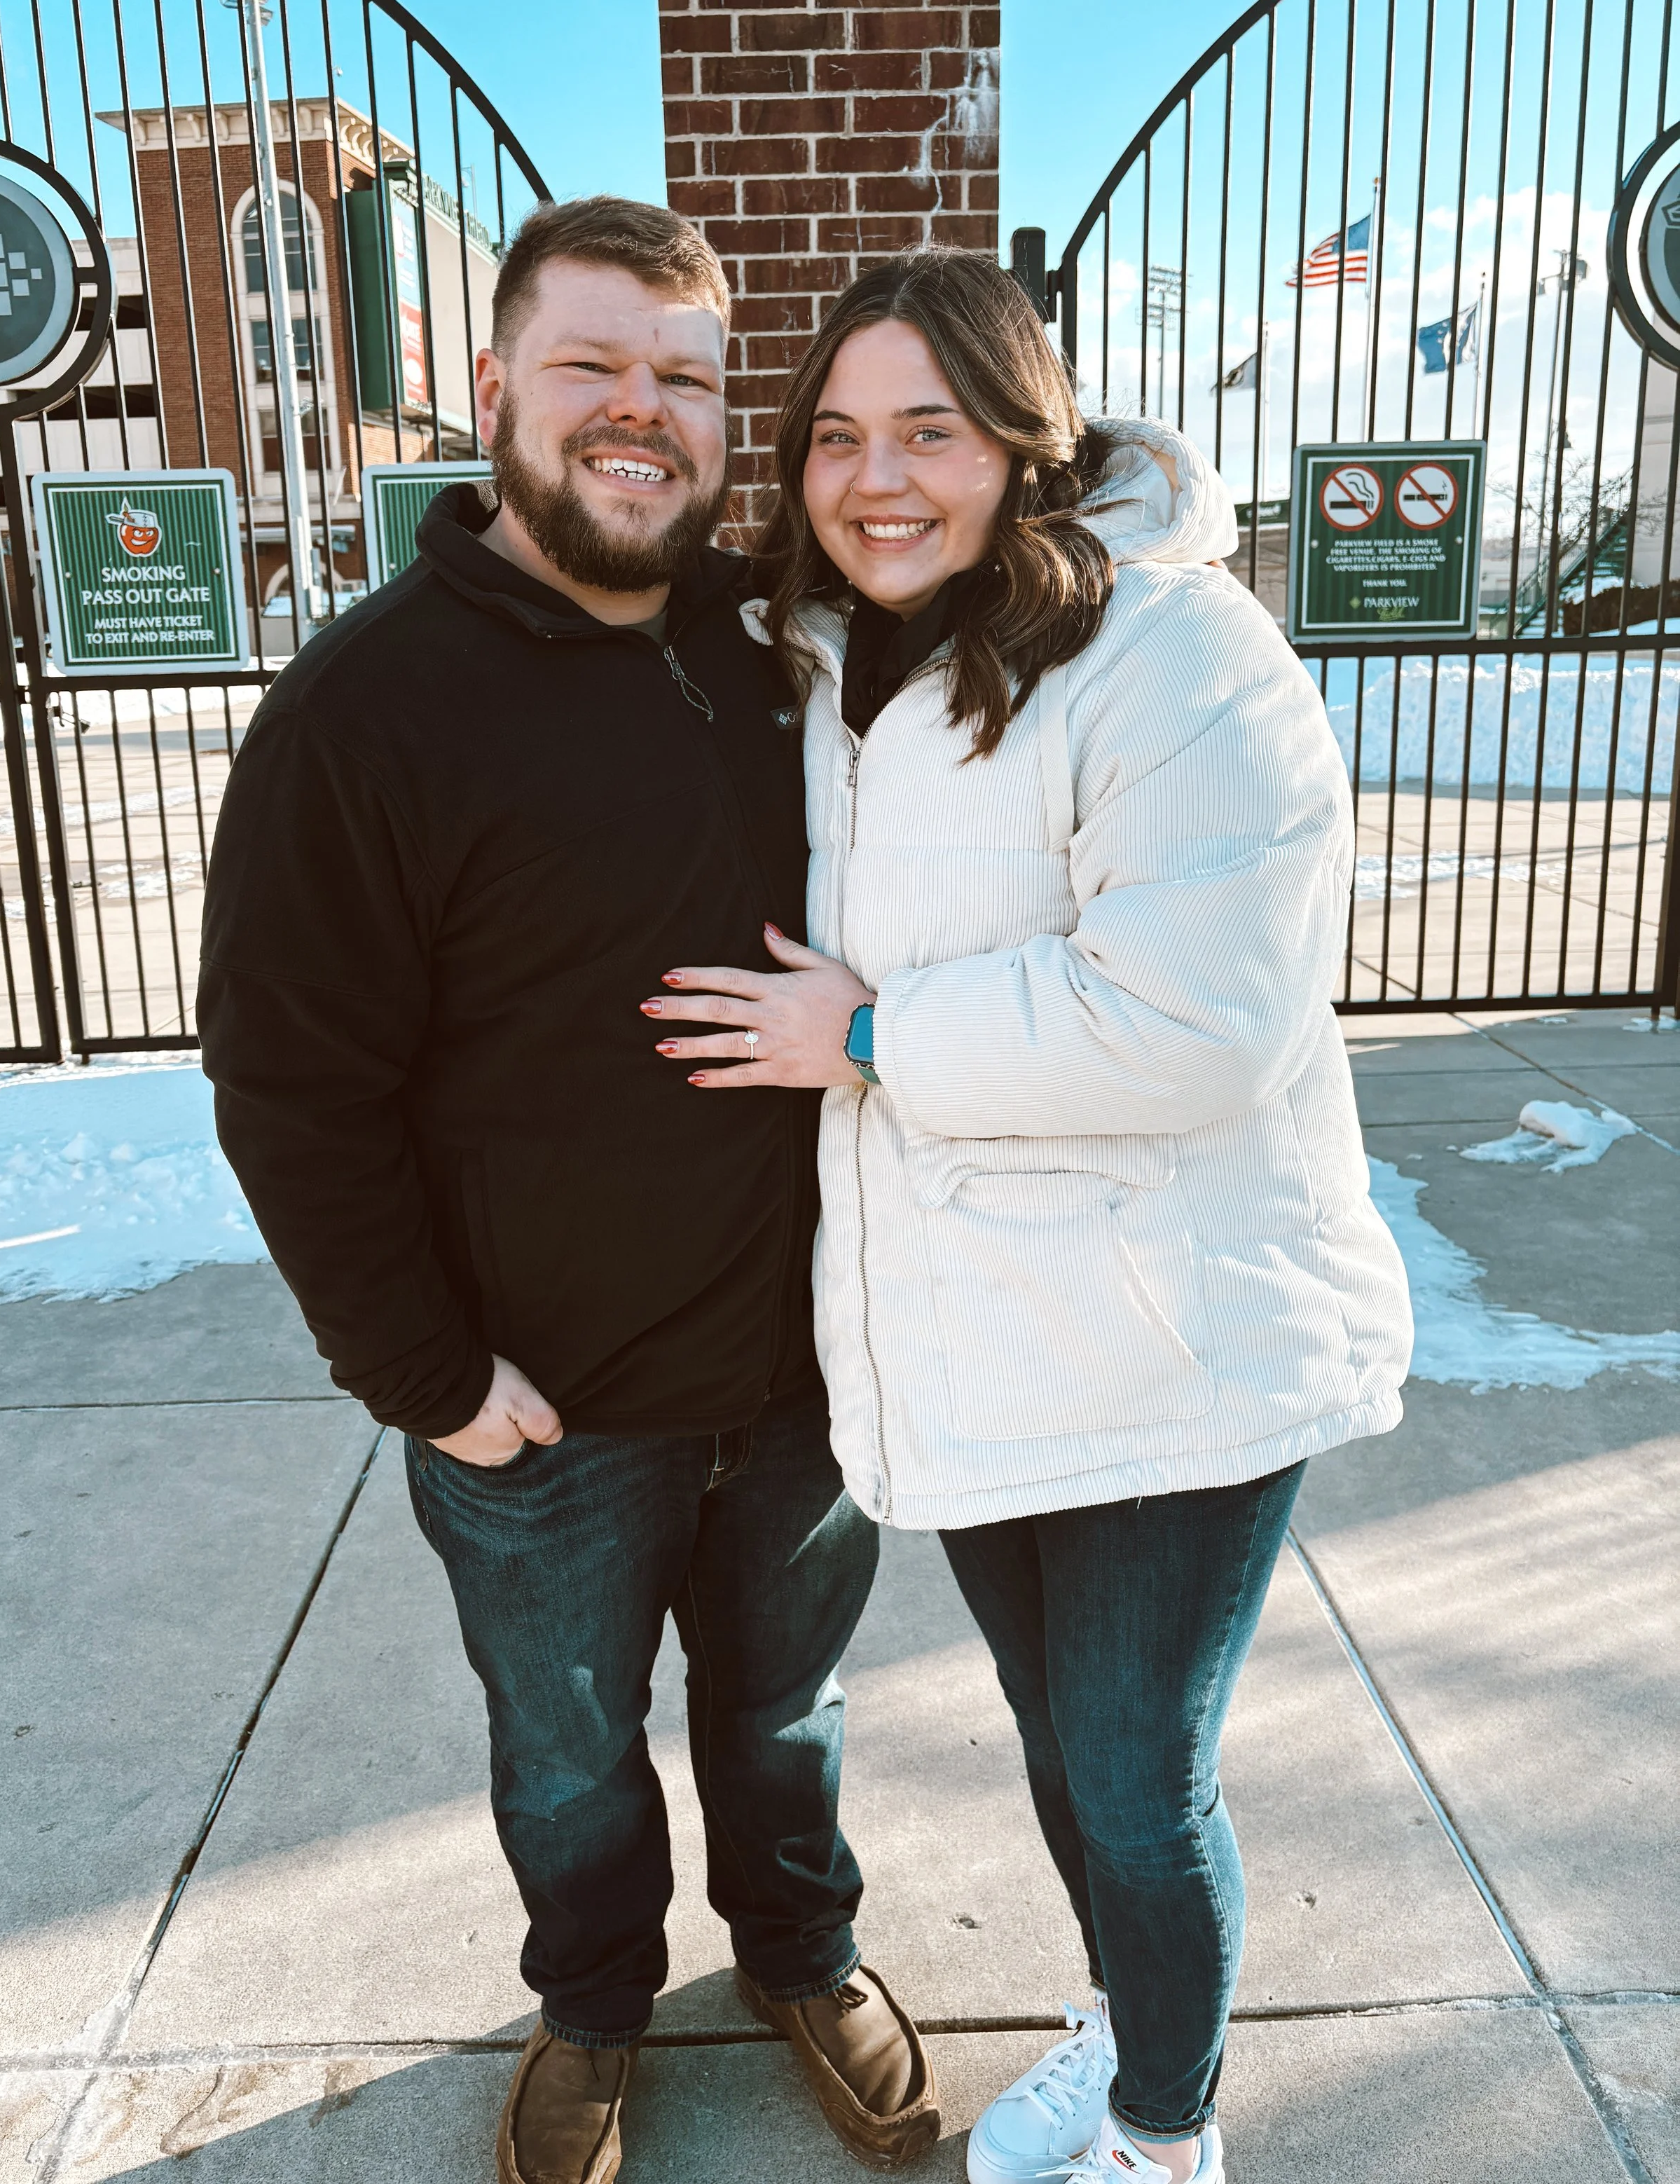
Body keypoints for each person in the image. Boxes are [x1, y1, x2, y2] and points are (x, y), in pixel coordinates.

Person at [642, 248, 1413, 2184]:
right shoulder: (829, 667)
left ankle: (1168, 2136)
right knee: (1061, 1740)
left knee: (1138, 1777)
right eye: (834, 433)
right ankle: (1128, 2020)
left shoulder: (1177, 655)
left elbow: (1196, 1023)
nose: (876, 475)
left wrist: (875, 1033)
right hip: (979, 1325)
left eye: (930, 428)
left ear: (1024, 439)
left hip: (1178, 1325)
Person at [197, 198, 940, 2184]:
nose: (643, 412)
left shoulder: (778, 647)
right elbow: (290, 1085)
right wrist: (427, 1376)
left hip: (801, 1383)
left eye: (685, 378)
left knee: (787, 1723)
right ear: (492, 386)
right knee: (562, 1752)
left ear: (725, 415)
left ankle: (801, 1949)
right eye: (594, 365)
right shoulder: (364, 711)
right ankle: (595, 2003)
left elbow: (1020, 537)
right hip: (538, 1414)